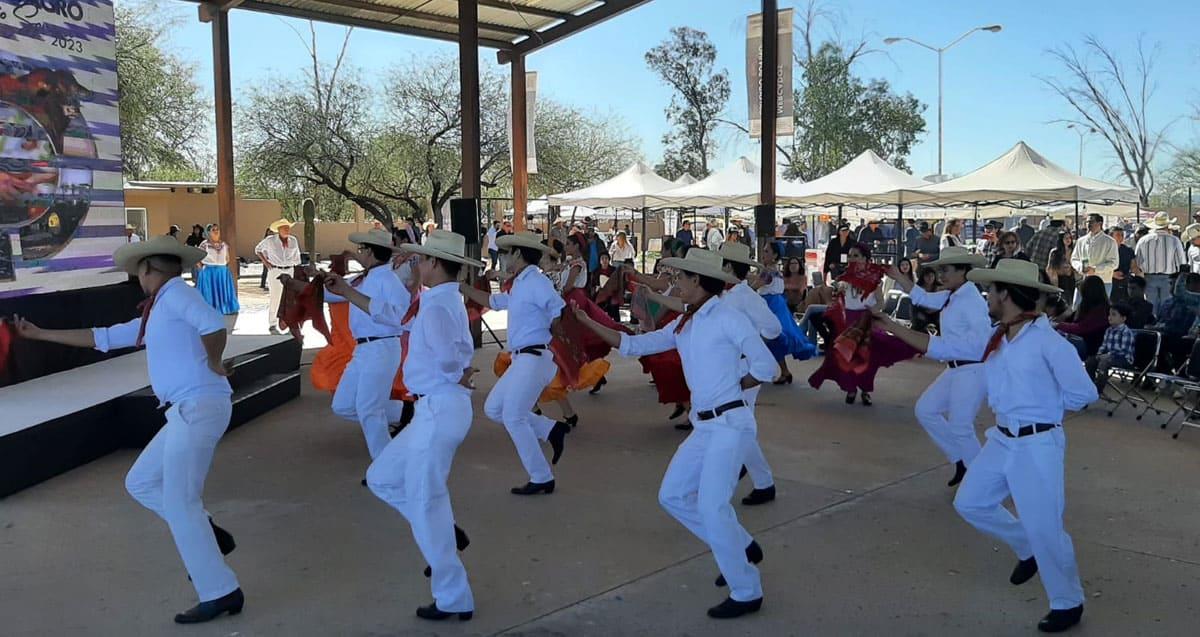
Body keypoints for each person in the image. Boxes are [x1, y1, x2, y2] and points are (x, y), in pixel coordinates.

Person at [11, 237, 244, 624]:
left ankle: (220, 590)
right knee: (141, 482)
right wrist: (41, 334)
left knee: (179, 501)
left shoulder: (176, 295)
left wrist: (216, 362)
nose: (137, 277)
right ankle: (205, 532)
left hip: (196, 405)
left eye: (139, 270)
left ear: (150, 269)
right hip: (185, 410)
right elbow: (104, 337)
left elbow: (212, 323)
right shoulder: (159, 309)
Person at [572, 248, 776, 619]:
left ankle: (746, 589)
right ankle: (741, 545)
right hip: (705, 426)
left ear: (698, 281)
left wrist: (733, 387)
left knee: (712, 507)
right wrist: (589, 322)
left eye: (681, 277)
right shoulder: (687, 322)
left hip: (730, 425)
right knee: (673, 495)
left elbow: (767, 367)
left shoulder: (728, 317)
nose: (675, 283)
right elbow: (636, 344)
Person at [952, 258, 1096, 634]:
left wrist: (1045, 410)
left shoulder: (1049, 342)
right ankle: (1026, 547)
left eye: (990, 290)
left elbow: (1084, 393)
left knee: (1046, 526)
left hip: (1038, 442)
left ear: (1005, 294)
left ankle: (1068, 602)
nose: (986, 295)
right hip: (1002, 438)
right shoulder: (1000, 337)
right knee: (970, 502)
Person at [364, 230, 483, 623]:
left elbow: (451, 357)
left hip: (439, 408)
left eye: (420, 259)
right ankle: (445, 536)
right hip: (435, 409)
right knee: (383, 477)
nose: (415, 265)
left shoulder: (436, 307)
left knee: (425, 500)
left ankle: (453, 596)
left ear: (434, 263)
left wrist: (457, 373)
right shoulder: (438, 301)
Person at [459, 231, 571, 495]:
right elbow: (495, 302)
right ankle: (551, 429)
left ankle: (541, 476)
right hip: (524, 358)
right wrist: (461, 287)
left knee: (513, 416)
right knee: (494, 408)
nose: (504, 259)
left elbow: (560, 309)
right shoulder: (522, 283)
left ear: (519, 254)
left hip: (534, 357)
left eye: (507, 253)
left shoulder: (536, 282)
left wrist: (554, 331)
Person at [289, 230, 409, 472]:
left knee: (368, 409)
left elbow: (398, 314)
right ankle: (404, 412)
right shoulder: (363, 279)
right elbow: (337, 297)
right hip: (364, 349)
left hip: (382, 345)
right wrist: (308, 282)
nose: (360, 254)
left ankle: (388, 466)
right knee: (344, 404)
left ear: (372, 252)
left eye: (363, 250)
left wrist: (348, 292)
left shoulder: (389, 280)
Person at [873, 247, 992, 487]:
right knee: (926, 410)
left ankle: (986, 480)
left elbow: (979, 345)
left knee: (960, 425)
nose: (940, 275)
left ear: (963, 271)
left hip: (972, 370)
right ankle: (961, 460)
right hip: (957, 368)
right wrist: (898, 277)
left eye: (946, 270)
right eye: (939, 270)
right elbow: (922, 298)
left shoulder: (971, 300)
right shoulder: (953, 295)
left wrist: (937, 346)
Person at [808, 243, 919, 406]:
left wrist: (870, 313)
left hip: (866, 322)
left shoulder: (874, 280)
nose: (852, 259)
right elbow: (840, 301)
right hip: (848, 323)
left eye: (856, 256)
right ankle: (851, 388)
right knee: (846, 358)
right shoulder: (844, 279)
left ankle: (865, 390)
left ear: (866, 259)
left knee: (868, 358)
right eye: (850, 256)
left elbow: (881, 302)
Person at [1134, 212, 1187, 314]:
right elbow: (1181, 262)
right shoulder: (1174, 240)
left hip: (1148, 277)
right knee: (1166, 305)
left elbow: (1137, 261)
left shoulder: (1143, 240)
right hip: (1168, 278)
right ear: (1167, 225)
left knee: (1151, 306)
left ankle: (1153, 325)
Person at [255, 219, 302, 334]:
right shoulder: (270, 240)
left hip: (289, 270)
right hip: (275, 270)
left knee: (290, 299)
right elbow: (258, 250)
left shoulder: (293, 240)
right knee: (276, 298)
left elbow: (297, 256)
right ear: (279, 230)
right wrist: (265, 262)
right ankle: (272, 324)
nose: (287, 230)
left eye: (288, 228)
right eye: (284, 228)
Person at [1085, 303, 1135, 395]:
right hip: (1109, 357)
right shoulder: (1109, 330)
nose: (1110, 317)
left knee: (1105, 362)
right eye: (1109, 314)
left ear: (1123, 319)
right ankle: (1088, 385)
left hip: (1123, 359)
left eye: (1114, 314)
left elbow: (1123, 350)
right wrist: (1099, 354)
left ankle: (1098, 389)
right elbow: (1104, 345)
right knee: (1090, 361)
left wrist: (1108, 355)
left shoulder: (1126, 332)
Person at [1055, 275, 1111, 356]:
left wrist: (1058, 325)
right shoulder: (1084, 306)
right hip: (1079, 341)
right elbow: (1072, 321)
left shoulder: (1102, 310)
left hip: (1090, 346)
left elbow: (1081, 328)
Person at [1070, 213, 1118, 301]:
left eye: (1091, 222)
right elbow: (1074, 259)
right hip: (1084, 280)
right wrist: (1080, 267)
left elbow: (1114, 263)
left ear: (1100, 224)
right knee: (1078, 308)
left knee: (1100, 309)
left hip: (1103, 281)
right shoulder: (1081, 241)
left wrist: (1095, 269)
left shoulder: (1110, 241)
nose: (1088, 224)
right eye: (1087, 222)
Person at [196, 224, 240, 315]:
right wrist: (202, 270)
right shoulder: (205, 245)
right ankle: (210, 309)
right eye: (213, 230)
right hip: (209, 272)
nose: (216, 231)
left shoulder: (224, 245)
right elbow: (197, 257)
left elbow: (227, 258)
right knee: (209, 291)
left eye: (217, 229)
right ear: (209, 233)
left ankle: (225, 308)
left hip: (222, 271)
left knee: (223, 290)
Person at [1045, 232, 1077, 305]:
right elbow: (1050, 268)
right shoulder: (1055, 252)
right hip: (1059, 279)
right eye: (1066, 238)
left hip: (1071, 279)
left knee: (1071, 301)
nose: (1068, 240)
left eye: (1069, 238)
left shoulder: (1073, 251)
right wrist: (1054, 284)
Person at [1109, 226, 1136, 303]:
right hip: (1110, 283)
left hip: (1125, 283)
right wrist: (1112, 274)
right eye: (1117, 235)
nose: (1120, 237)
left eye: (1122, 235)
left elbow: (1133, 266)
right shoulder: (1105, 251)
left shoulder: (1128, 250)